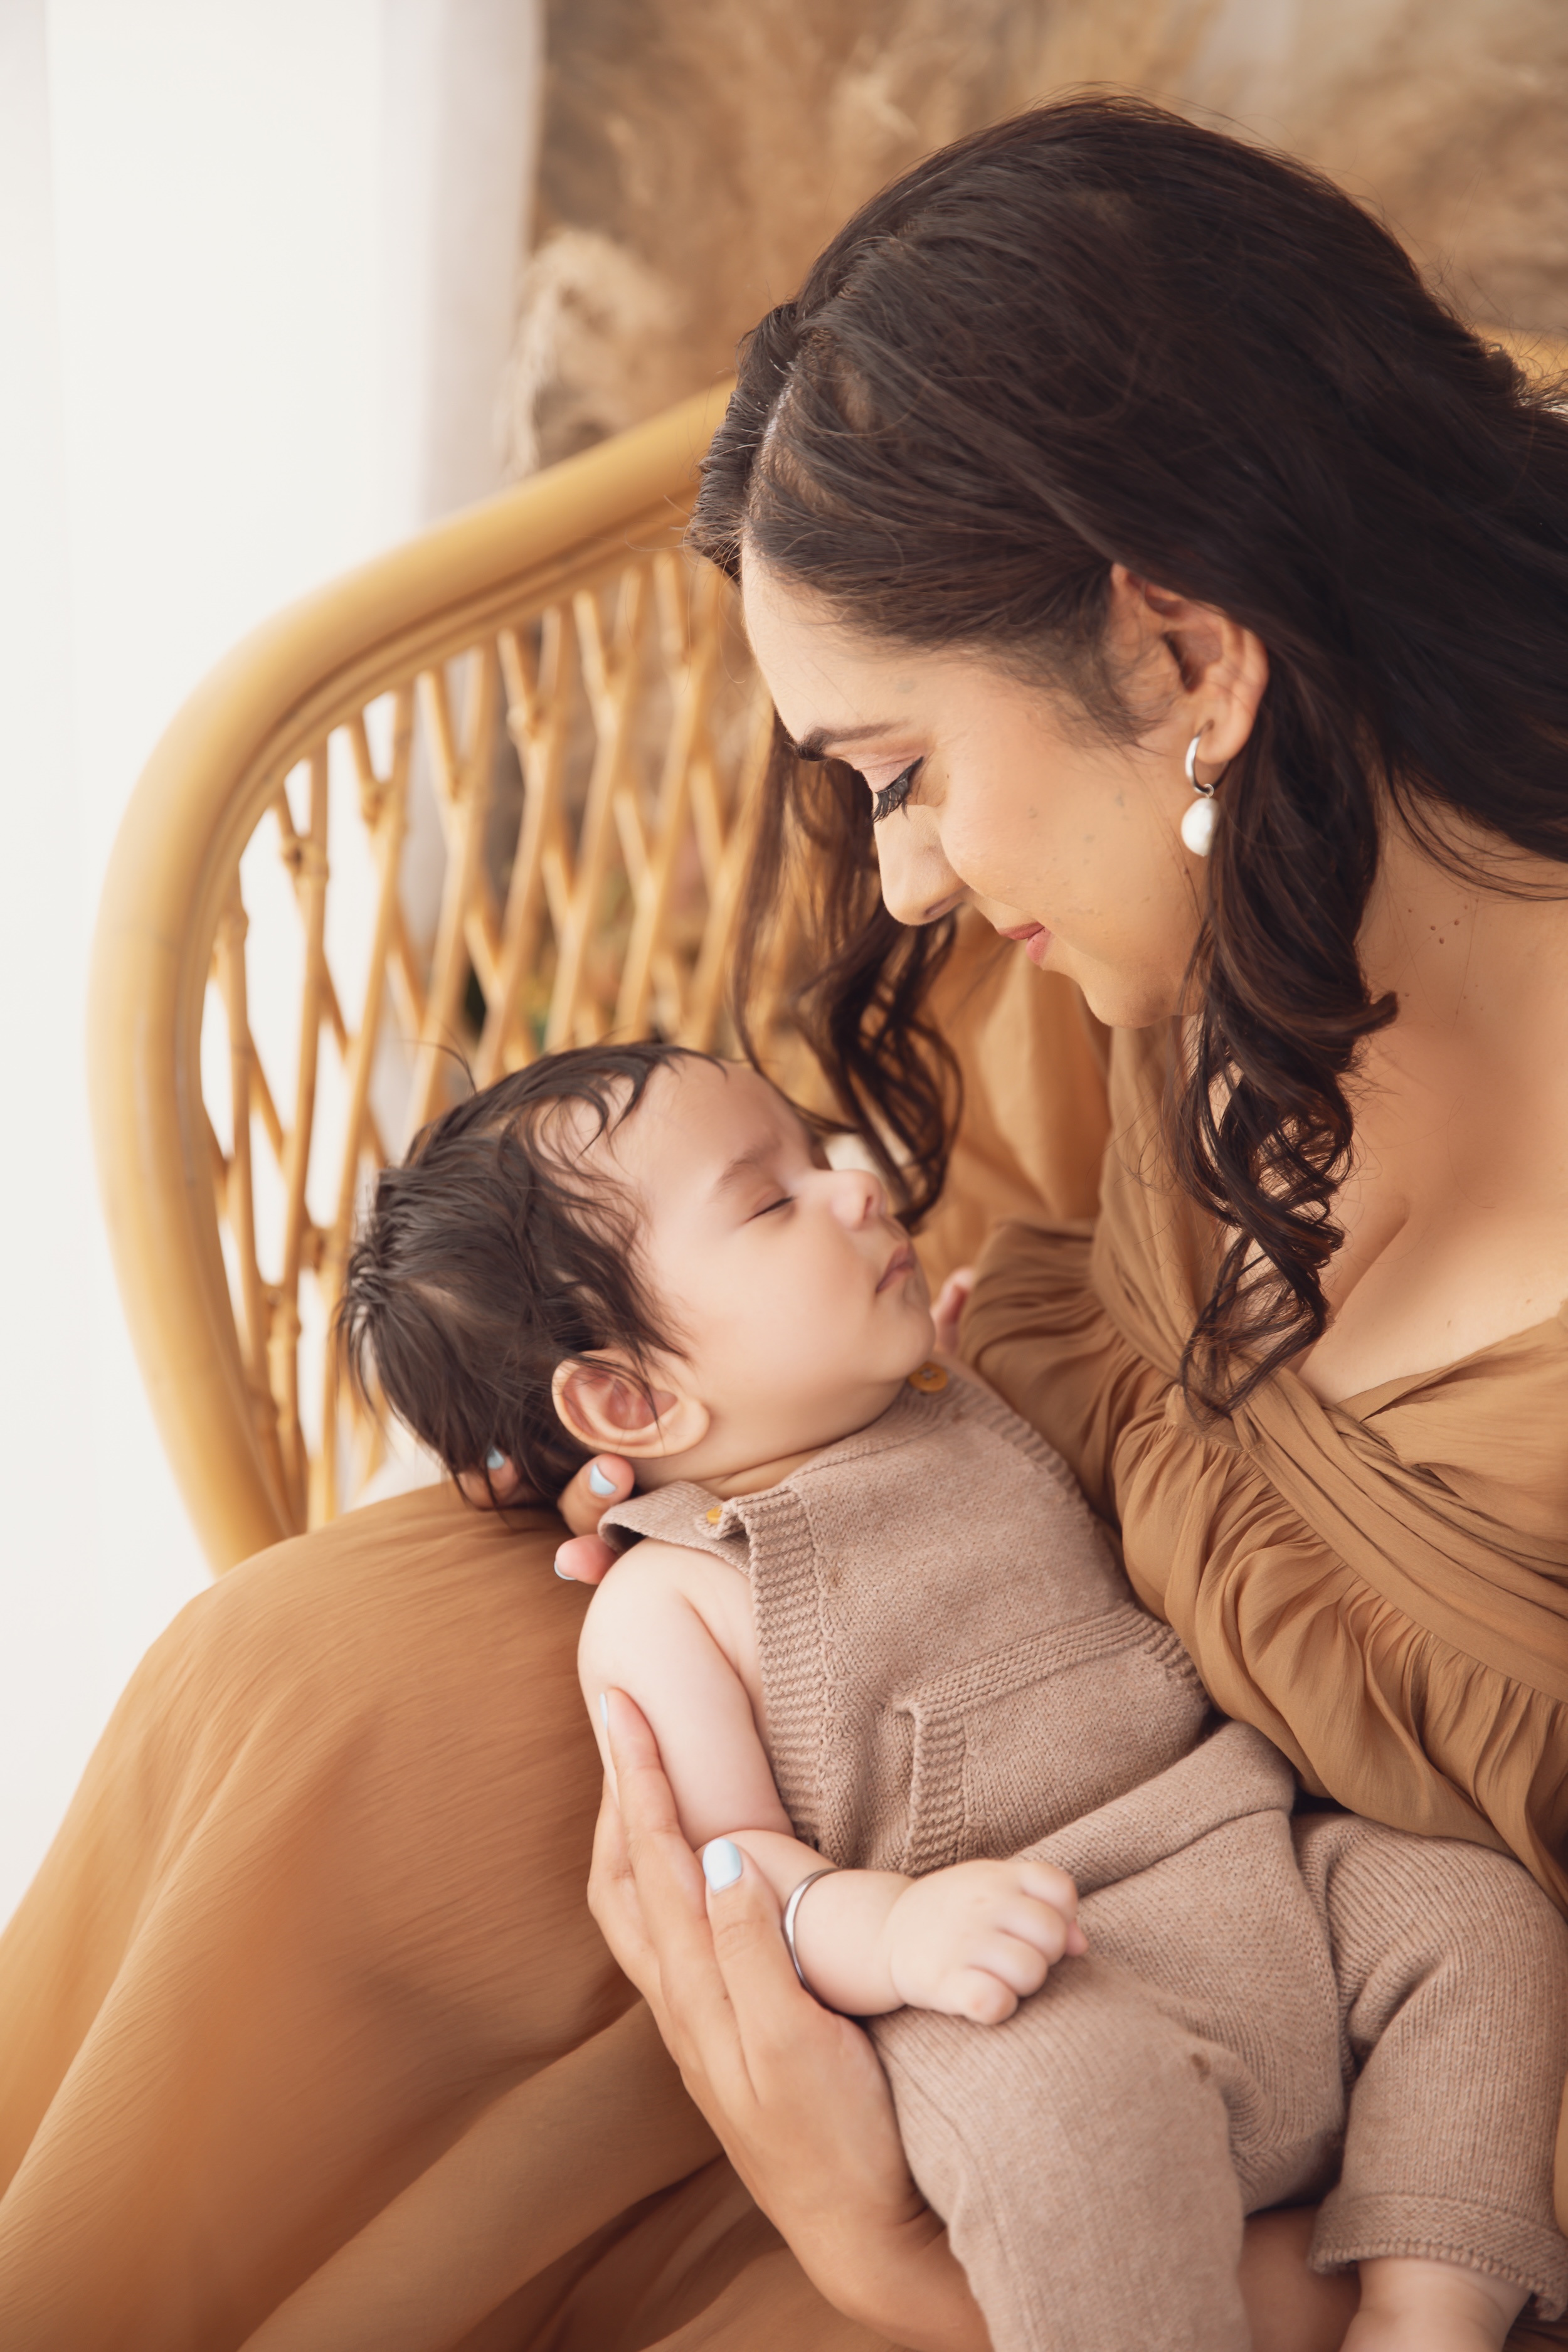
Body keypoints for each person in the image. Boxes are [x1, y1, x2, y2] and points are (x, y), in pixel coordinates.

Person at [3, 91, 1567, 2352]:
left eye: (906, 777)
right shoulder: (1188, 880)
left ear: (1175, 652)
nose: (904, 878)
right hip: (962, 1765)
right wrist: (706, 1471)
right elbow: (888, 1238)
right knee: (302, 1687)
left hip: (1333, 2093)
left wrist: (890, 2255)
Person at [338, 1035, 1568, 2352]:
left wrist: (942, 1351)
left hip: (1257, 1863)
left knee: (1473, 1910)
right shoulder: (672, 1602)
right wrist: (899, 1930)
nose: (854, 1186)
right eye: (770, 1201)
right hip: (1026, 1984)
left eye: (817, 1154)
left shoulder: (951, 1390)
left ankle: (1428, 2307)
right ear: (630, 1399)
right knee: (1061, 2115)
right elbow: (739, 1877)